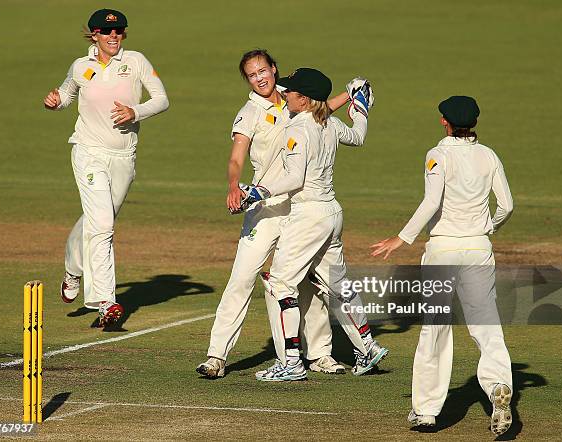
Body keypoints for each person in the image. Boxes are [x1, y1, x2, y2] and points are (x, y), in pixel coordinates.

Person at [196, 50, 355, 378]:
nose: (259, 78)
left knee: (308, 283)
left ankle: (320, 354)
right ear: (248, 80)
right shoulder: (250, 112)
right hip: (265, 208)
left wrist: (350, 95)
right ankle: (217, 356)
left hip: (301, 207)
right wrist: (233, 185)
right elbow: (236, 157)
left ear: (273, 69)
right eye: (252, 75)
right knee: (242, 277)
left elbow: (322, 108)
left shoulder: (292, 97)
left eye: (263, 71)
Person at [370, 96, 514, 436]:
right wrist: (487, 227)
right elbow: (507, 205)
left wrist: (401, 238)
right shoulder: (489, 155)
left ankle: (425, 411)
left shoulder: (438, 155)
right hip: (479, 249)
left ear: (444, 122)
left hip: (443, 251)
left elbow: (431, 201)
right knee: (486, 325)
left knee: (435, 327)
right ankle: (497, 387)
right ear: (474, 123)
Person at [240, 67, 389, 382]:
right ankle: (368, 347)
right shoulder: (330, 123)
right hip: (332, 213)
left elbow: (295, 178)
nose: (284, 94)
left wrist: (258, 192)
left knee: (280, 283)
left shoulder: (298, 129)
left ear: (304, 99)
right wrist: (361, 107)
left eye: (290, 92)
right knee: (338, 284)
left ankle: (291, 362)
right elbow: (359, 136)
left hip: (308, 216)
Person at [43, 9, 169, 327]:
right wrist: (55, 100)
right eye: (106, 31)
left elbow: (162, 99)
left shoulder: (136, 61)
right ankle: (106, 303)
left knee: (97, 220)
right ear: (94, 35)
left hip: (124, 157)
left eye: (119, 31)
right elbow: (66, 95)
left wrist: (135, 111)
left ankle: (73, 271)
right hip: (89, 152)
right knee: (102, 226)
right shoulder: (81, 66)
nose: (113, 37)